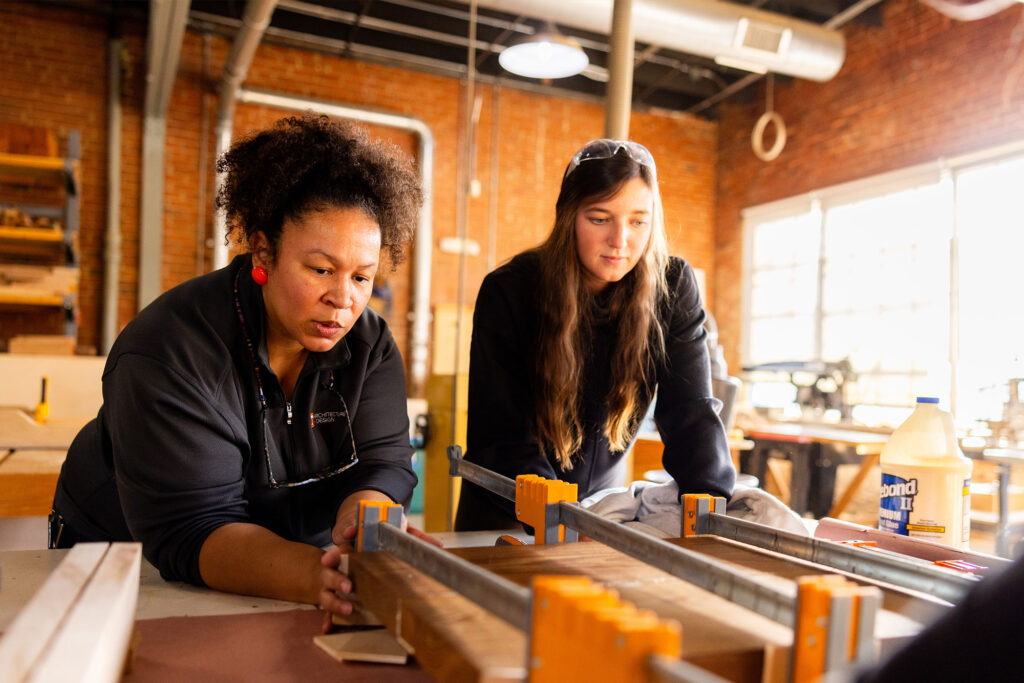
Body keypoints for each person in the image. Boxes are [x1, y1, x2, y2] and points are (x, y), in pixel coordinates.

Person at [50, 114, 434, 626]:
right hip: (123, 563)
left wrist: (369, 524)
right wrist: (324, 578)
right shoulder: (169, 352)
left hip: (289, 565)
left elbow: (383, 463)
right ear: (263, 251)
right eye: (321, 269)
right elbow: (193, 528)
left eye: (362, 277)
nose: (343, 299)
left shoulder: (370, 345)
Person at [455, 139, 736, 531]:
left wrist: (711, 506)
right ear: (569, 216)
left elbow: (692, 414)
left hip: (601, 515)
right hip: (507, 515)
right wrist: (557, 520)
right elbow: (503, 436)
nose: (620, 241)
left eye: (638, 221)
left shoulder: (672, 288)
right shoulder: (512, 291)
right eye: (600, 218)